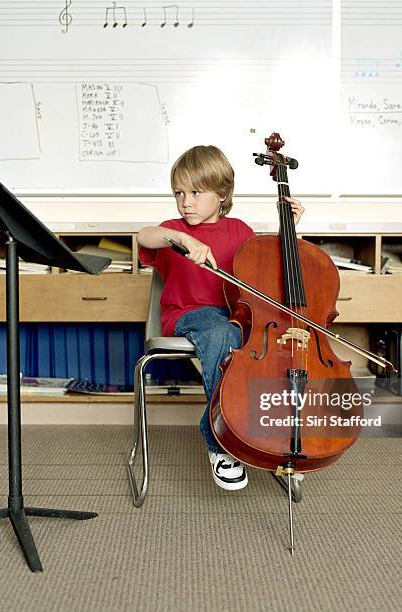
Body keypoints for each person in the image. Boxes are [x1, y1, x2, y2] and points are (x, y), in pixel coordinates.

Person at [137, 145, 303, 490]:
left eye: (196, 192)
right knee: (222, 333)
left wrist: (291, 228)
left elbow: (267, 270)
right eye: (179, 192)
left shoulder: (240, 231)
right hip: (189, 317)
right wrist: (180, 237)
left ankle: (277, 439)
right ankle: (221, 442)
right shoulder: (171, 230)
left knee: (277, 345)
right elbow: (143, 236)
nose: (186, 202)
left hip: (234, 318)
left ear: (222, 193)